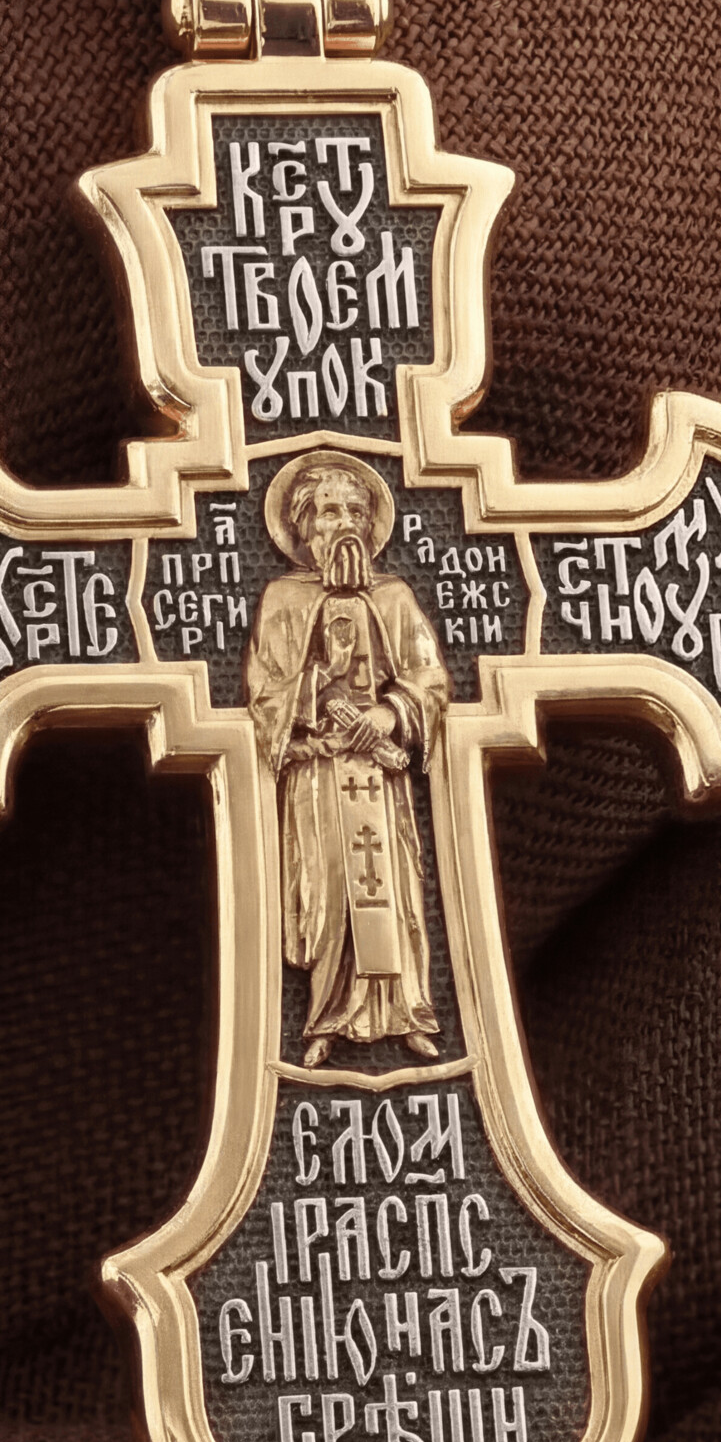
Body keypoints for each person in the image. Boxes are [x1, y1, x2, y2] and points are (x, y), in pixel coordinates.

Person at [246, 453, 448, 1065]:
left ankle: (406, 1012)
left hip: (381, 772)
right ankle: (325, 1019)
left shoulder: (394, 595)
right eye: (330, 511)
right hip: (319, 772)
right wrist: (318, 685)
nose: (345, 523)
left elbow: (429, 679)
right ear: (305, 525)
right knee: (331, 891)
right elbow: (264, 691)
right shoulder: (283, 598)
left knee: (393, 890)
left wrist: (389, 714)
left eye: (356, 511)